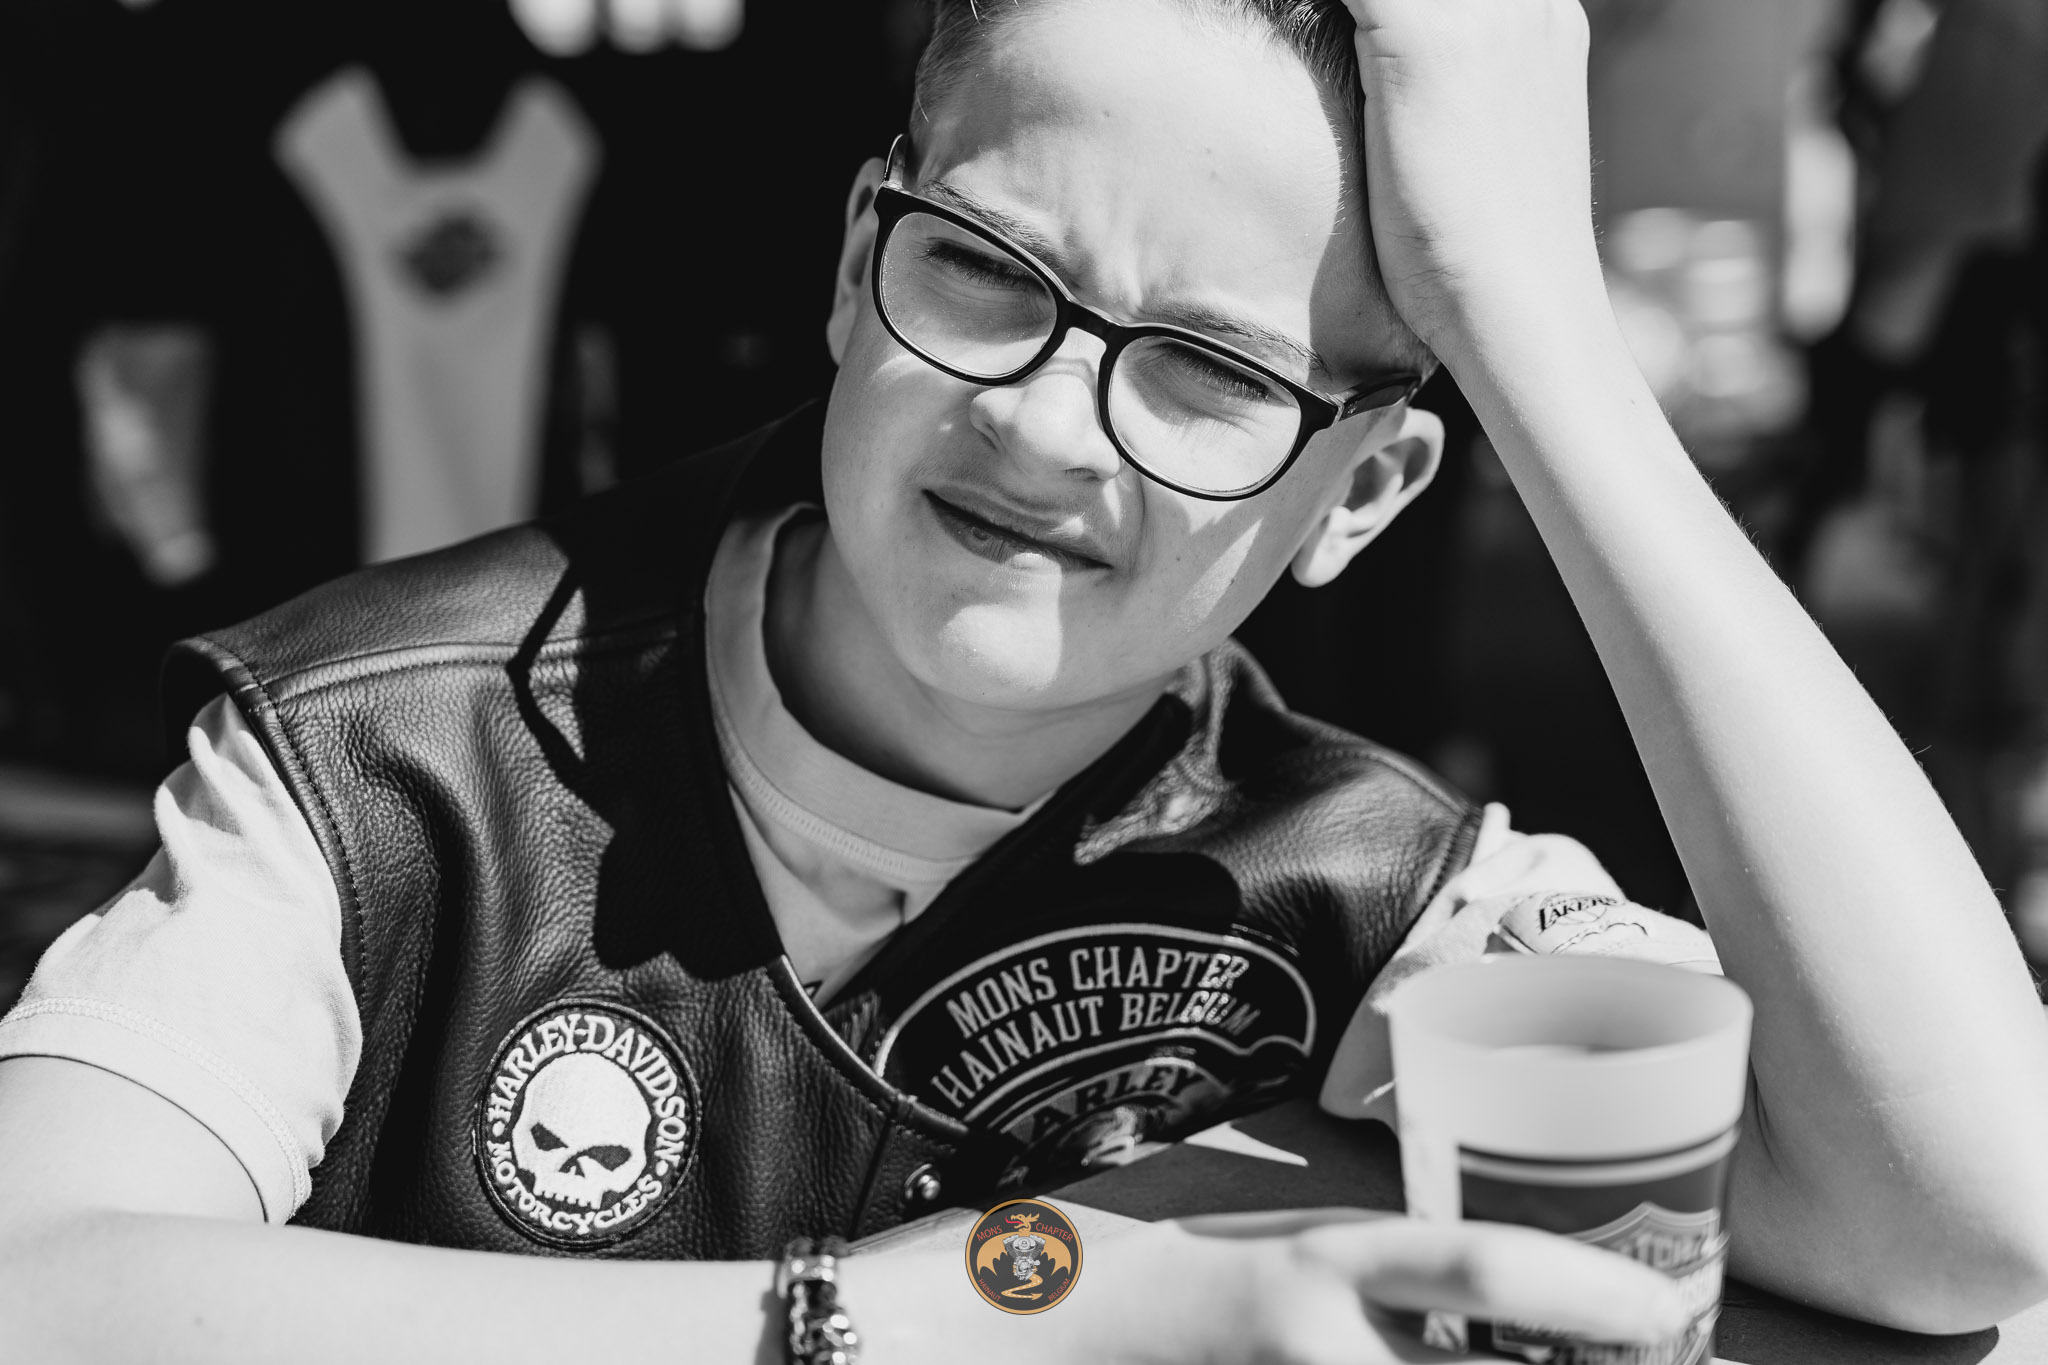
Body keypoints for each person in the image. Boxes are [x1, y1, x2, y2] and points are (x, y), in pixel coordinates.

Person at [3, 0, 2047, 1360]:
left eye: (1213, 372)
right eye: (985, 271)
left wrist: (1551, 348)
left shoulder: (1371, 889)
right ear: (852, 261)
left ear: (1366, 488)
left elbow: (1975, 1216)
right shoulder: (375, 752)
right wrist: (975, 1307)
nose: (1047, 426)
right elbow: (36, 1282)